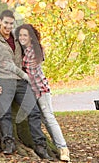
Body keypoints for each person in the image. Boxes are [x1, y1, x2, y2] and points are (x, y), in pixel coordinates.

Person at [0, 10, 52, 159]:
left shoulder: (16, 36)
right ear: (0, 21)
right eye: (6, 23)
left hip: (21, 81)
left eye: (11, 23)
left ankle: (40, 145)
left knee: (33, 111)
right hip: (4, 81)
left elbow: (31, 46)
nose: (8, 26)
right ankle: (8, 142)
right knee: (4, 113)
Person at [14, 23, 70, 161]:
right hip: (31, 90)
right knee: (42, 118)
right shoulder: (23, 49)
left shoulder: (33, 50)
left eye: (25, 35)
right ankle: (58, 146)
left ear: (31, 37)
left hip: (40, 89)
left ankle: (63, 148)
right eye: (20, 35)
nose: (22, 37)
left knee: (49, 118)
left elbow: (31, 75)